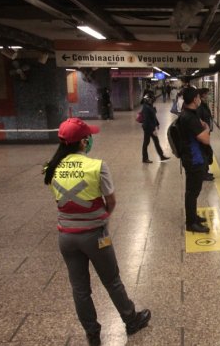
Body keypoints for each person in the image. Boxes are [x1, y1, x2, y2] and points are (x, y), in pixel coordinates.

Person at [42, 118, 151, 346]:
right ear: (83, 142)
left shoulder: (50, 167)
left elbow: (59, 199)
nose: (90, 139)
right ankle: (131, 320)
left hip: (66, 237)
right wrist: (102, 217)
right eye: (88, 137)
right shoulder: (97, 166)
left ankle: (92, 334)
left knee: (80, 289)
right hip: (94, 235)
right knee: (112, 280)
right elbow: (111, 201)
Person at [179, 87, 211, 233]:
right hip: (194, 160)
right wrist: (207, 128)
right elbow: (205, 139)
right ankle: (191, 223)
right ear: (194, 99)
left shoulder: (187, 114)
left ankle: (193, 217)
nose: (199, 99)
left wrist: (202, 127)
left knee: (193, 191)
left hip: (192, 158)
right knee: (192, 192)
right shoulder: (190, 117)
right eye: (198, 97)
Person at [141, 95, 170, 163]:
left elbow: (153, 116)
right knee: (146, 143)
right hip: (148, 128)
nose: (152, 101)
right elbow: (147, 120)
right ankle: (145, 158)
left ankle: (161, 156)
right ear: (147, 100)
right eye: (151, 99)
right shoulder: (146, 107)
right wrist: (153, 129)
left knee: (155, 142)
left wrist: (157, 124)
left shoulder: (149, 106)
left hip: (150, 127)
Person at [197, 88, 214, 181]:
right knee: (203, 153)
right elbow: (199, 121)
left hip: (206, 133)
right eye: (207, 94)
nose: (209, 95)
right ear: (203, 95)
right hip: (203, 134)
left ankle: (205, 171)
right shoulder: (200, 107)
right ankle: (203, 174)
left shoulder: (204, 105)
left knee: (205, 152)